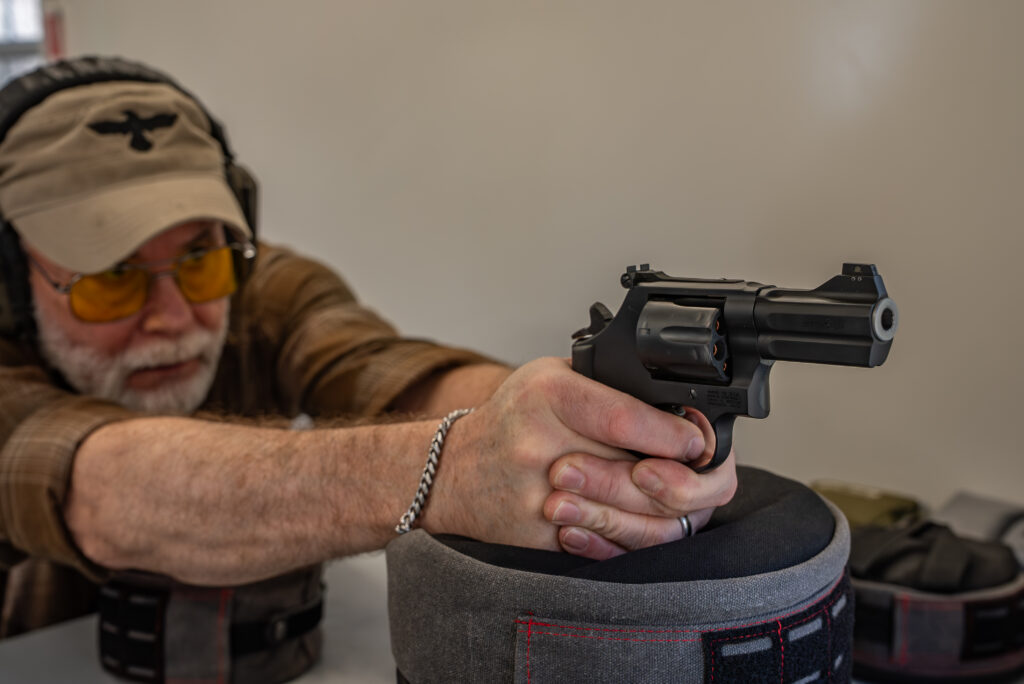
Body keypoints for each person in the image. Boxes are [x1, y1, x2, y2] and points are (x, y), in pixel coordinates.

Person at [0, 57, 737, 641]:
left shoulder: (258, 281)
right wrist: (454, 468)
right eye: (111, 278)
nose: (171, 314)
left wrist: (587, 426)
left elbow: (386, 373)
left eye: (200, 258)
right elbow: (101, 489)